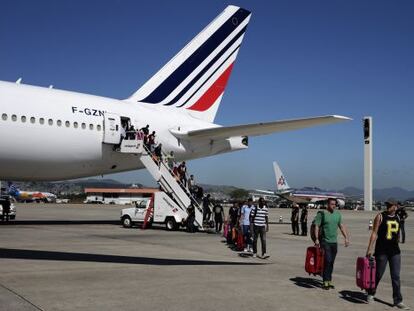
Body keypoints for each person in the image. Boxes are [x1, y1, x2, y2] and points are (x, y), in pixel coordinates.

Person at [366, 200, 409, 309]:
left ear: (396, 206)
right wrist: (369, 248)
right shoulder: (380, 216)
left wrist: (403, 214)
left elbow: (401, 227)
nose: (389, 207)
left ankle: (398, 300)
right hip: (381, 251)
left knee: (396, 276)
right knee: (378, 274)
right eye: (388, 205)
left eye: (391, 205)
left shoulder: (398, 217)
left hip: (395, 251)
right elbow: (374, 233)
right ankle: (371, 293)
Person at [313, 198, 350, 290]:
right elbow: (316, 226)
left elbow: (341, 226)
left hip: (334, 242)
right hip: (325, 242)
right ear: (327, 205)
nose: (333, 206)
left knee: (331, 262)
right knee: (328, 261)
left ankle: (329, 281)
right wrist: (317, 239)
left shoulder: (337, 214)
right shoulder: (322, 214)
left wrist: (346, 238)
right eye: (332, 204)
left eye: (334, 204)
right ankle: (325, 281)